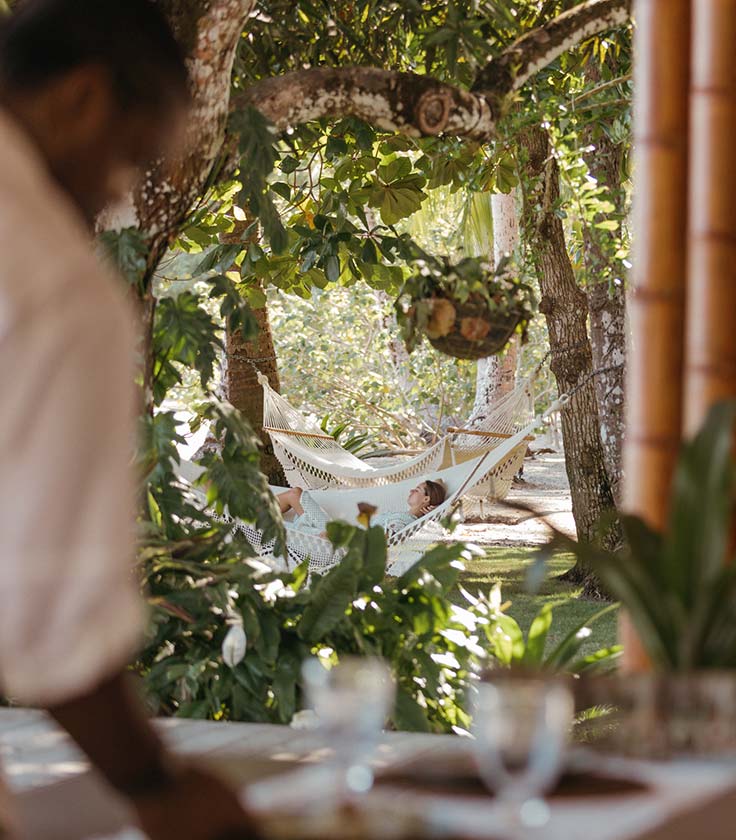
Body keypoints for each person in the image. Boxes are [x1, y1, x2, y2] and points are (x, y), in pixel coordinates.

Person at [0, 1, 260, 838]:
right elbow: (49, 621)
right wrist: (157, 786)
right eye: (129, 157)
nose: (118, 191)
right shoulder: (51, 285)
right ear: (81, 97)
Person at [276, 479, 448, 534]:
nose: (411, 490)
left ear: (426, 499)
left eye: (417, 490)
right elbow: (439, 481)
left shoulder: (403, 521)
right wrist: (432, 511)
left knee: (294, 495)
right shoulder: (406, 517)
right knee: (295, 494)